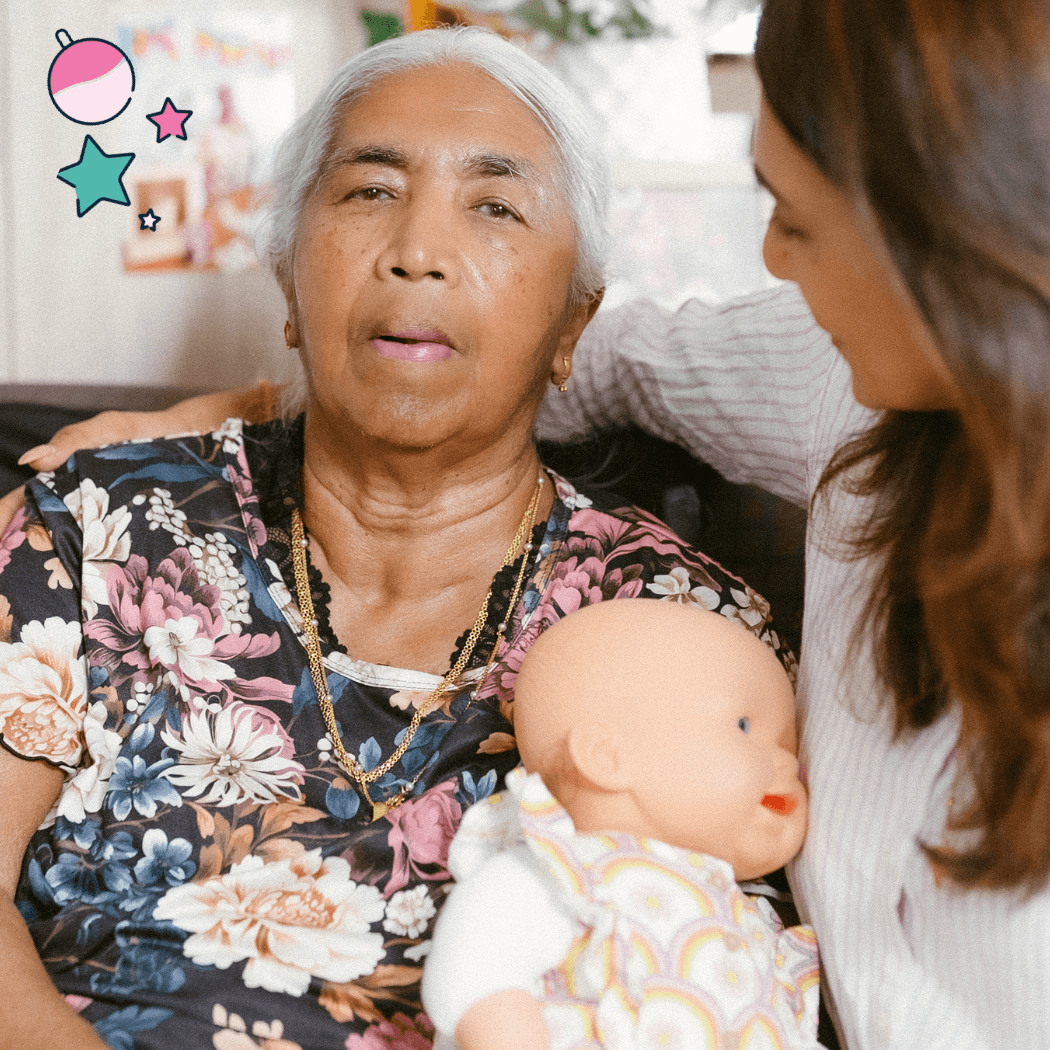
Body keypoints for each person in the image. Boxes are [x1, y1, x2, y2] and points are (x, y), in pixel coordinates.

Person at [30, 1, 1050, 1046]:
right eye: (370, 192)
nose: (776, 263)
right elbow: (569, 355)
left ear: (946, 239)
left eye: (794, 218)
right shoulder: (836, 366)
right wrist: (246, 410)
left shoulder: (667, 622)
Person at [422, 600, 819, 1050]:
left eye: (790, 743)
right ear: (606, 757)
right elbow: (477, 963)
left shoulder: (746, 922)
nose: (790, 762)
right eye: (745, 726)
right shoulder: (567, 874)